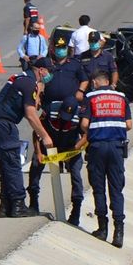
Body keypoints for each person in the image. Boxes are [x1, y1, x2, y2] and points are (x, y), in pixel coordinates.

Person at [0, 57, 56, 218]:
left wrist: (40, 89)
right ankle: (18, 205)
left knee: (5, 165)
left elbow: (33, 105)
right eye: (49, 71)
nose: (50, 75)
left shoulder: (21, 78)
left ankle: (5, 206)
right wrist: (45, 136)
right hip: (3, 125)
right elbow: (31, 114)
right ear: (41, 70)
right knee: (14, 164)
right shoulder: (28, 83)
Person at [26, 37, 89, 222]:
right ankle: (33, 202)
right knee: (36, 166)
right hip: (51, 135)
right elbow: (36, 132)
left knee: (76, 172)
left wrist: (77, 147)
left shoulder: (79, 115)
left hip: (70, 140)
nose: (61, 51)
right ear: (53, 48)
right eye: (58, 48)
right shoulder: (46, 65)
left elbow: (87, 133)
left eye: (64, 48)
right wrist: (38, 151)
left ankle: (76, 211)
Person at [75, 70, 133, 248]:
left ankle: (102, 229)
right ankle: (119, 232)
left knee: (98, 188)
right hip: (116, 147)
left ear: (95, 82)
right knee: (116, 189)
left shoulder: (91, 97)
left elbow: (84, 124)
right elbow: (129, 125)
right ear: (109, 81)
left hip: (97, 148)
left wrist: (95, 131)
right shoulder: (122, 97)